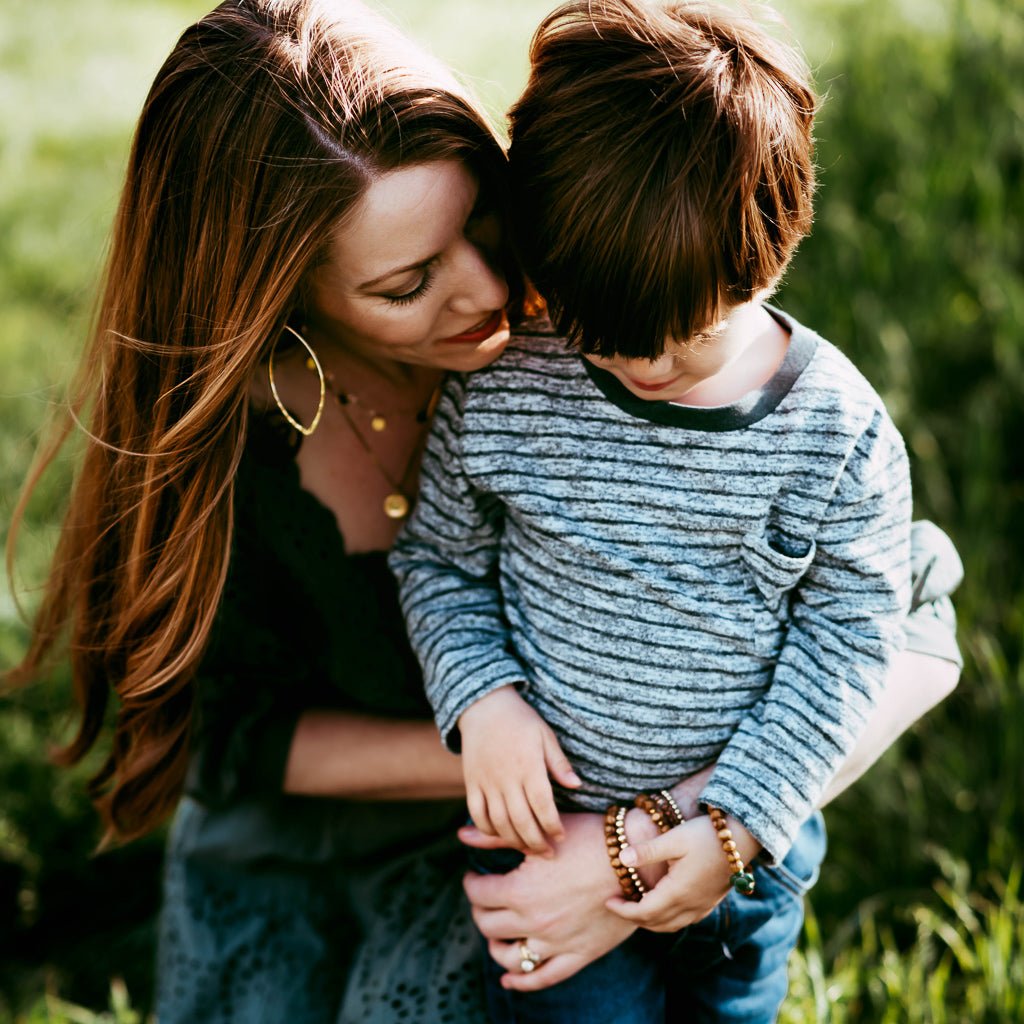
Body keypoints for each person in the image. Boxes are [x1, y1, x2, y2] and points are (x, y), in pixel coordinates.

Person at [3, 0, 961, 1022]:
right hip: (337, 834)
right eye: (409, 282)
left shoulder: (615, 293)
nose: (489, 290)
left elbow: (895, 632)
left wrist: (651, 830)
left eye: (485, 219)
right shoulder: (244, 450)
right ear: (285, 299)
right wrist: (513, 744)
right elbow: (232, 737)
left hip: (596, 826)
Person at [390, 1, 961, 1020]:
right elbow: (438, 557)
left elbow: (849, 640)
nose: (638, 367)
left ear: (770, 255)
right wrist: (482, 696)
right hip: (546, 834)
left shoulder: (836, 435)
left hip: (742, 856)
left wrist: (737, 826)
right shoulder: (509, 387)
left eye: (681, 340)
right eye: (598, 335)